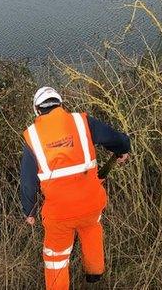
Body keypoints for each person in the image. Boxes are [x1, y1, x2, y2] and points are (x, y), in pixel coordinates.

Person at [20, 86, 131, 290]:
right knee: (91, 229)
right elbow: (114, 138)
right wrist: (123, 149)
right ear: (60, 104)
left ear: (37, 110)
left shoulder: (32, 137)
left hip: (59, 213)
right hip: (91, 203)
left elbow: (27, 181)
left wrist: (30, 210)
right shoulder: (81, 122)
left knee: (56, 257)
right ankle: (95, 274)